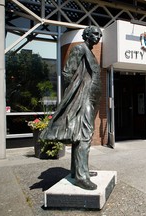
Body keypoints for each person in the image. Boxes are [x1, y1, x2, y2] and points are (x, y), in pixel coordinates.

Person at [39, 26, 103, 190]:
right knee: (84, 135)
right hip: (83, 97)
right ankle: (82, 177)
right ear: (87, 35)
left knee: (80, 134)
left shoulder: (89, 51)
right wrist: (77, 92)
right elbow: (67, 73)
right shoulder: (79, 48)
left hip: (90, 98)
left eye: (100, 34)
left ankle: (79, 171)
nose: (99, 36)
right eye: (96, 34)